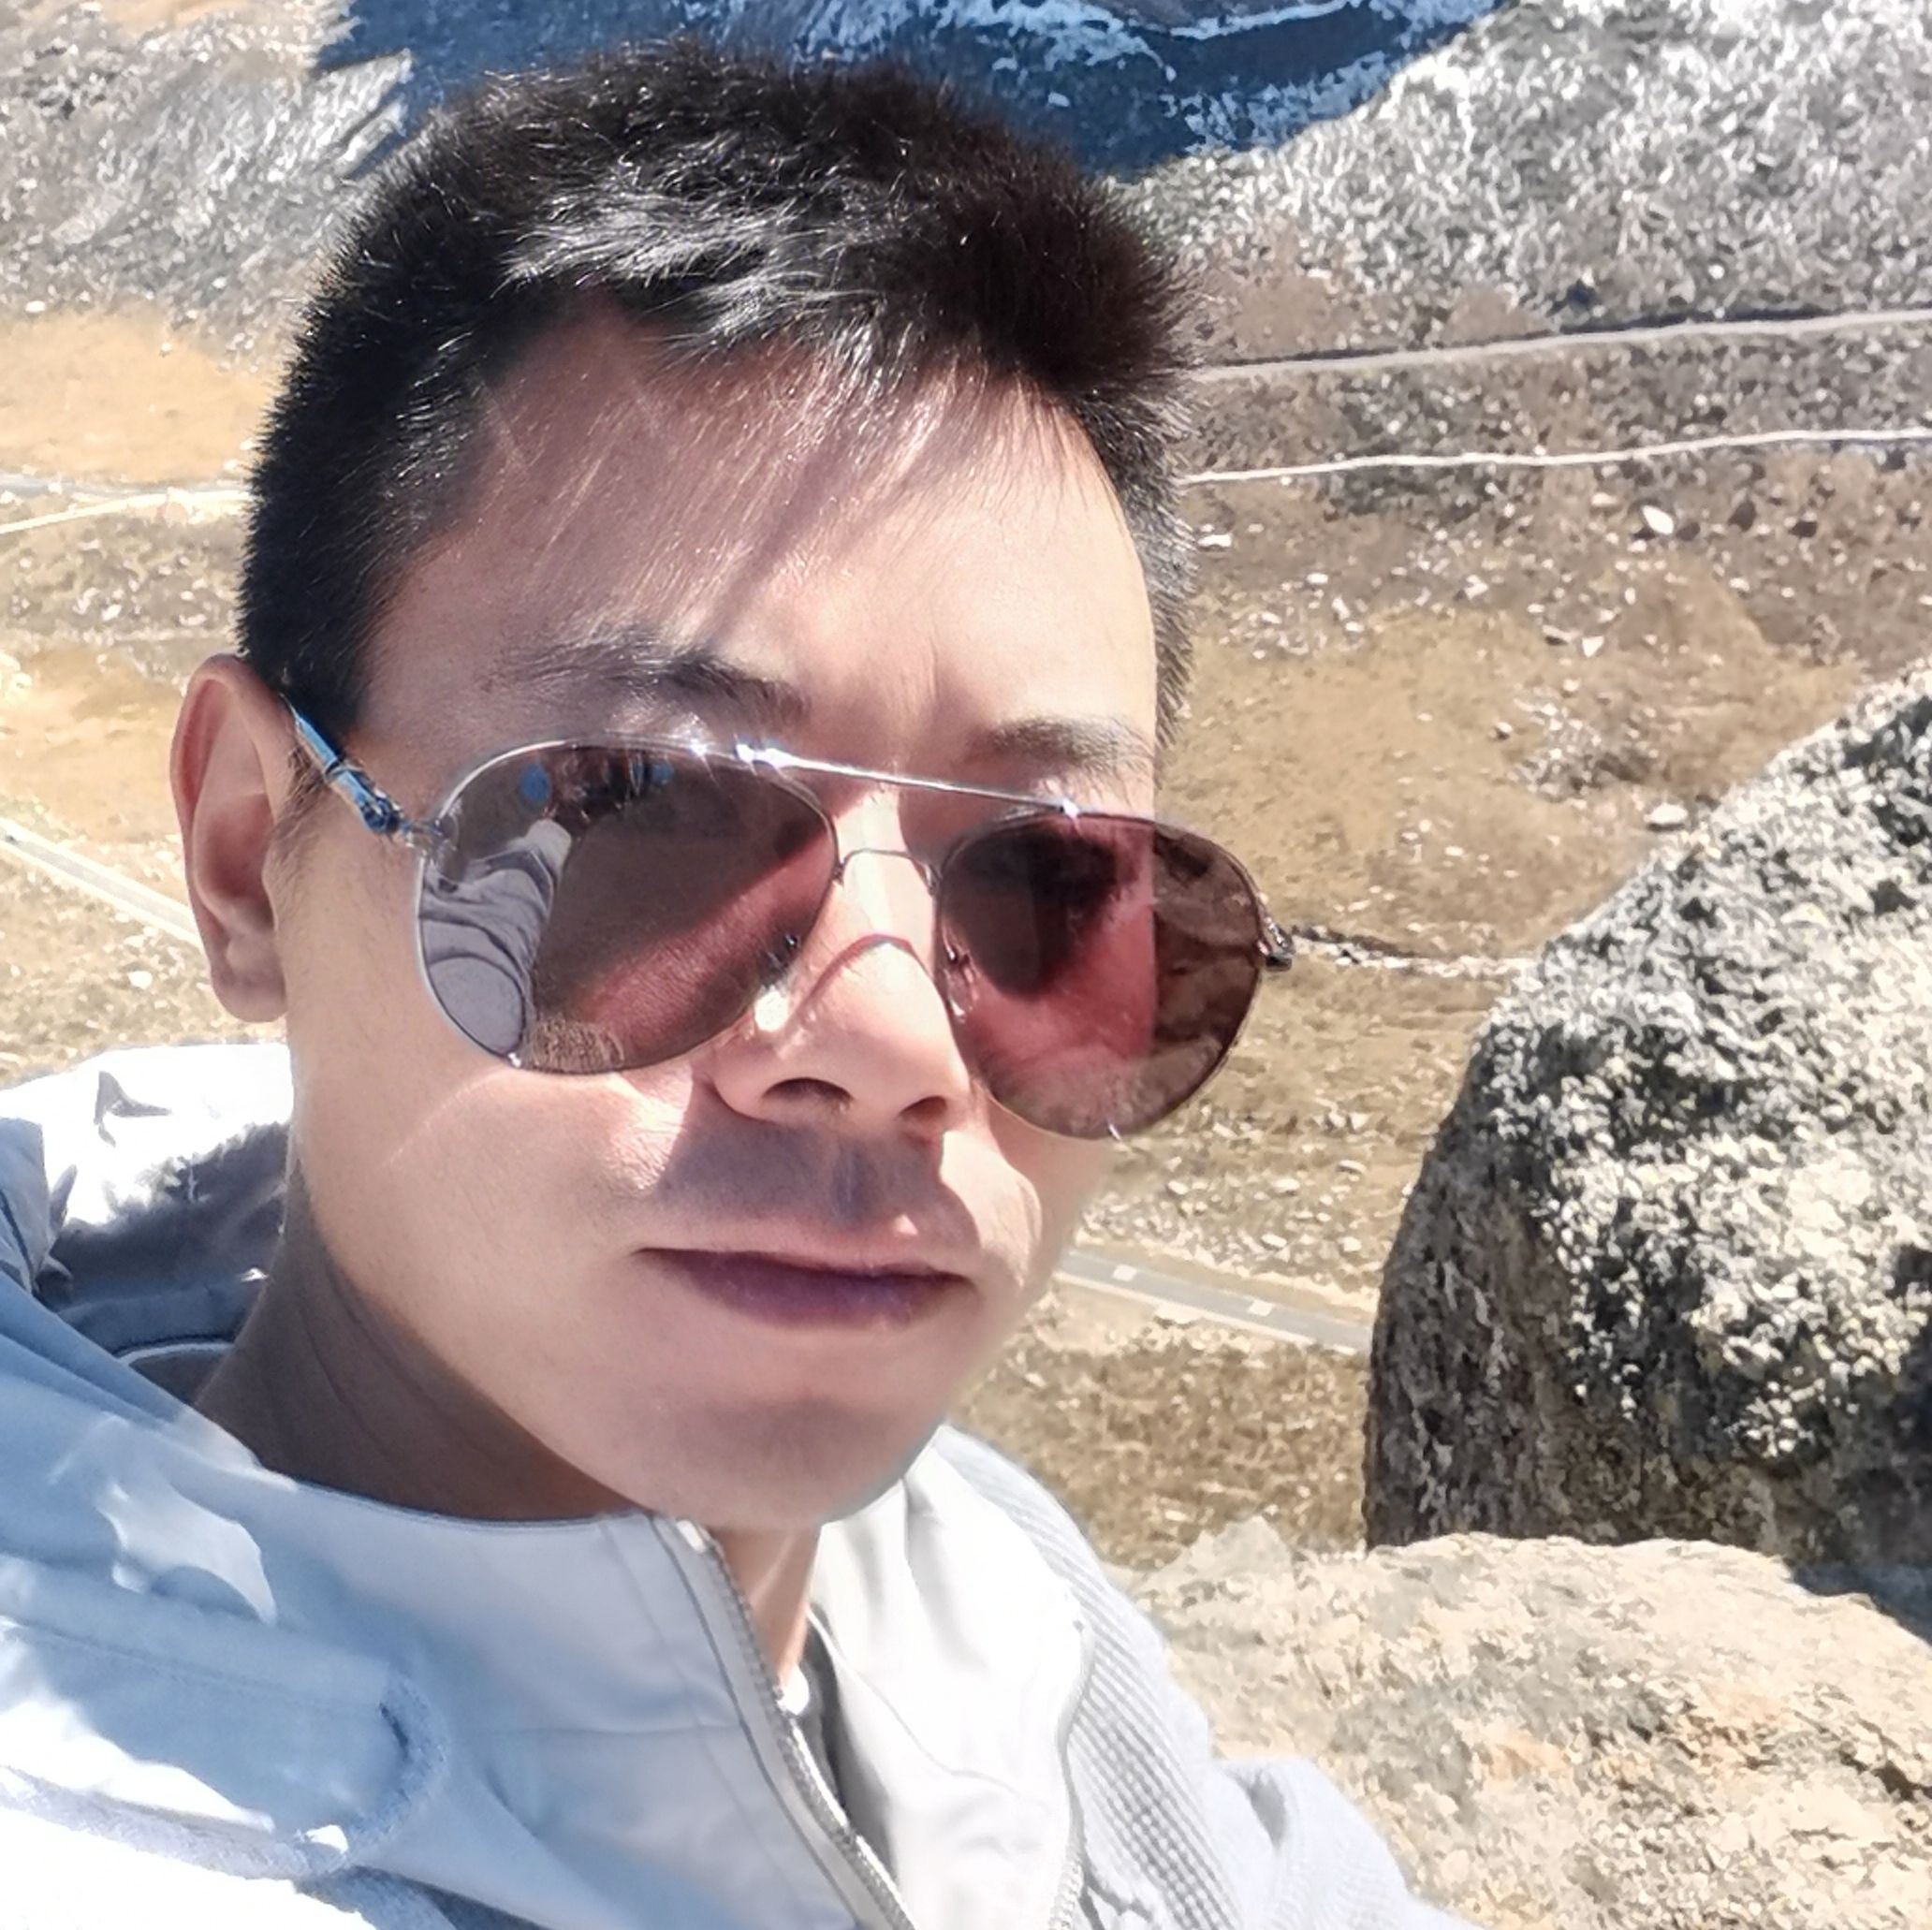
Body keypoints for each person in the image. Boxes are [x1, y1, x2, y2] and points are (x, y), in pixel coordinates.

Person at [0, 41, 1466, 1930]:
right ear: (243, 855)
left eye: (1049, 880)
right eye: (645, 814)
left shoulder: (996, 1619)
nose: (895, 1042)